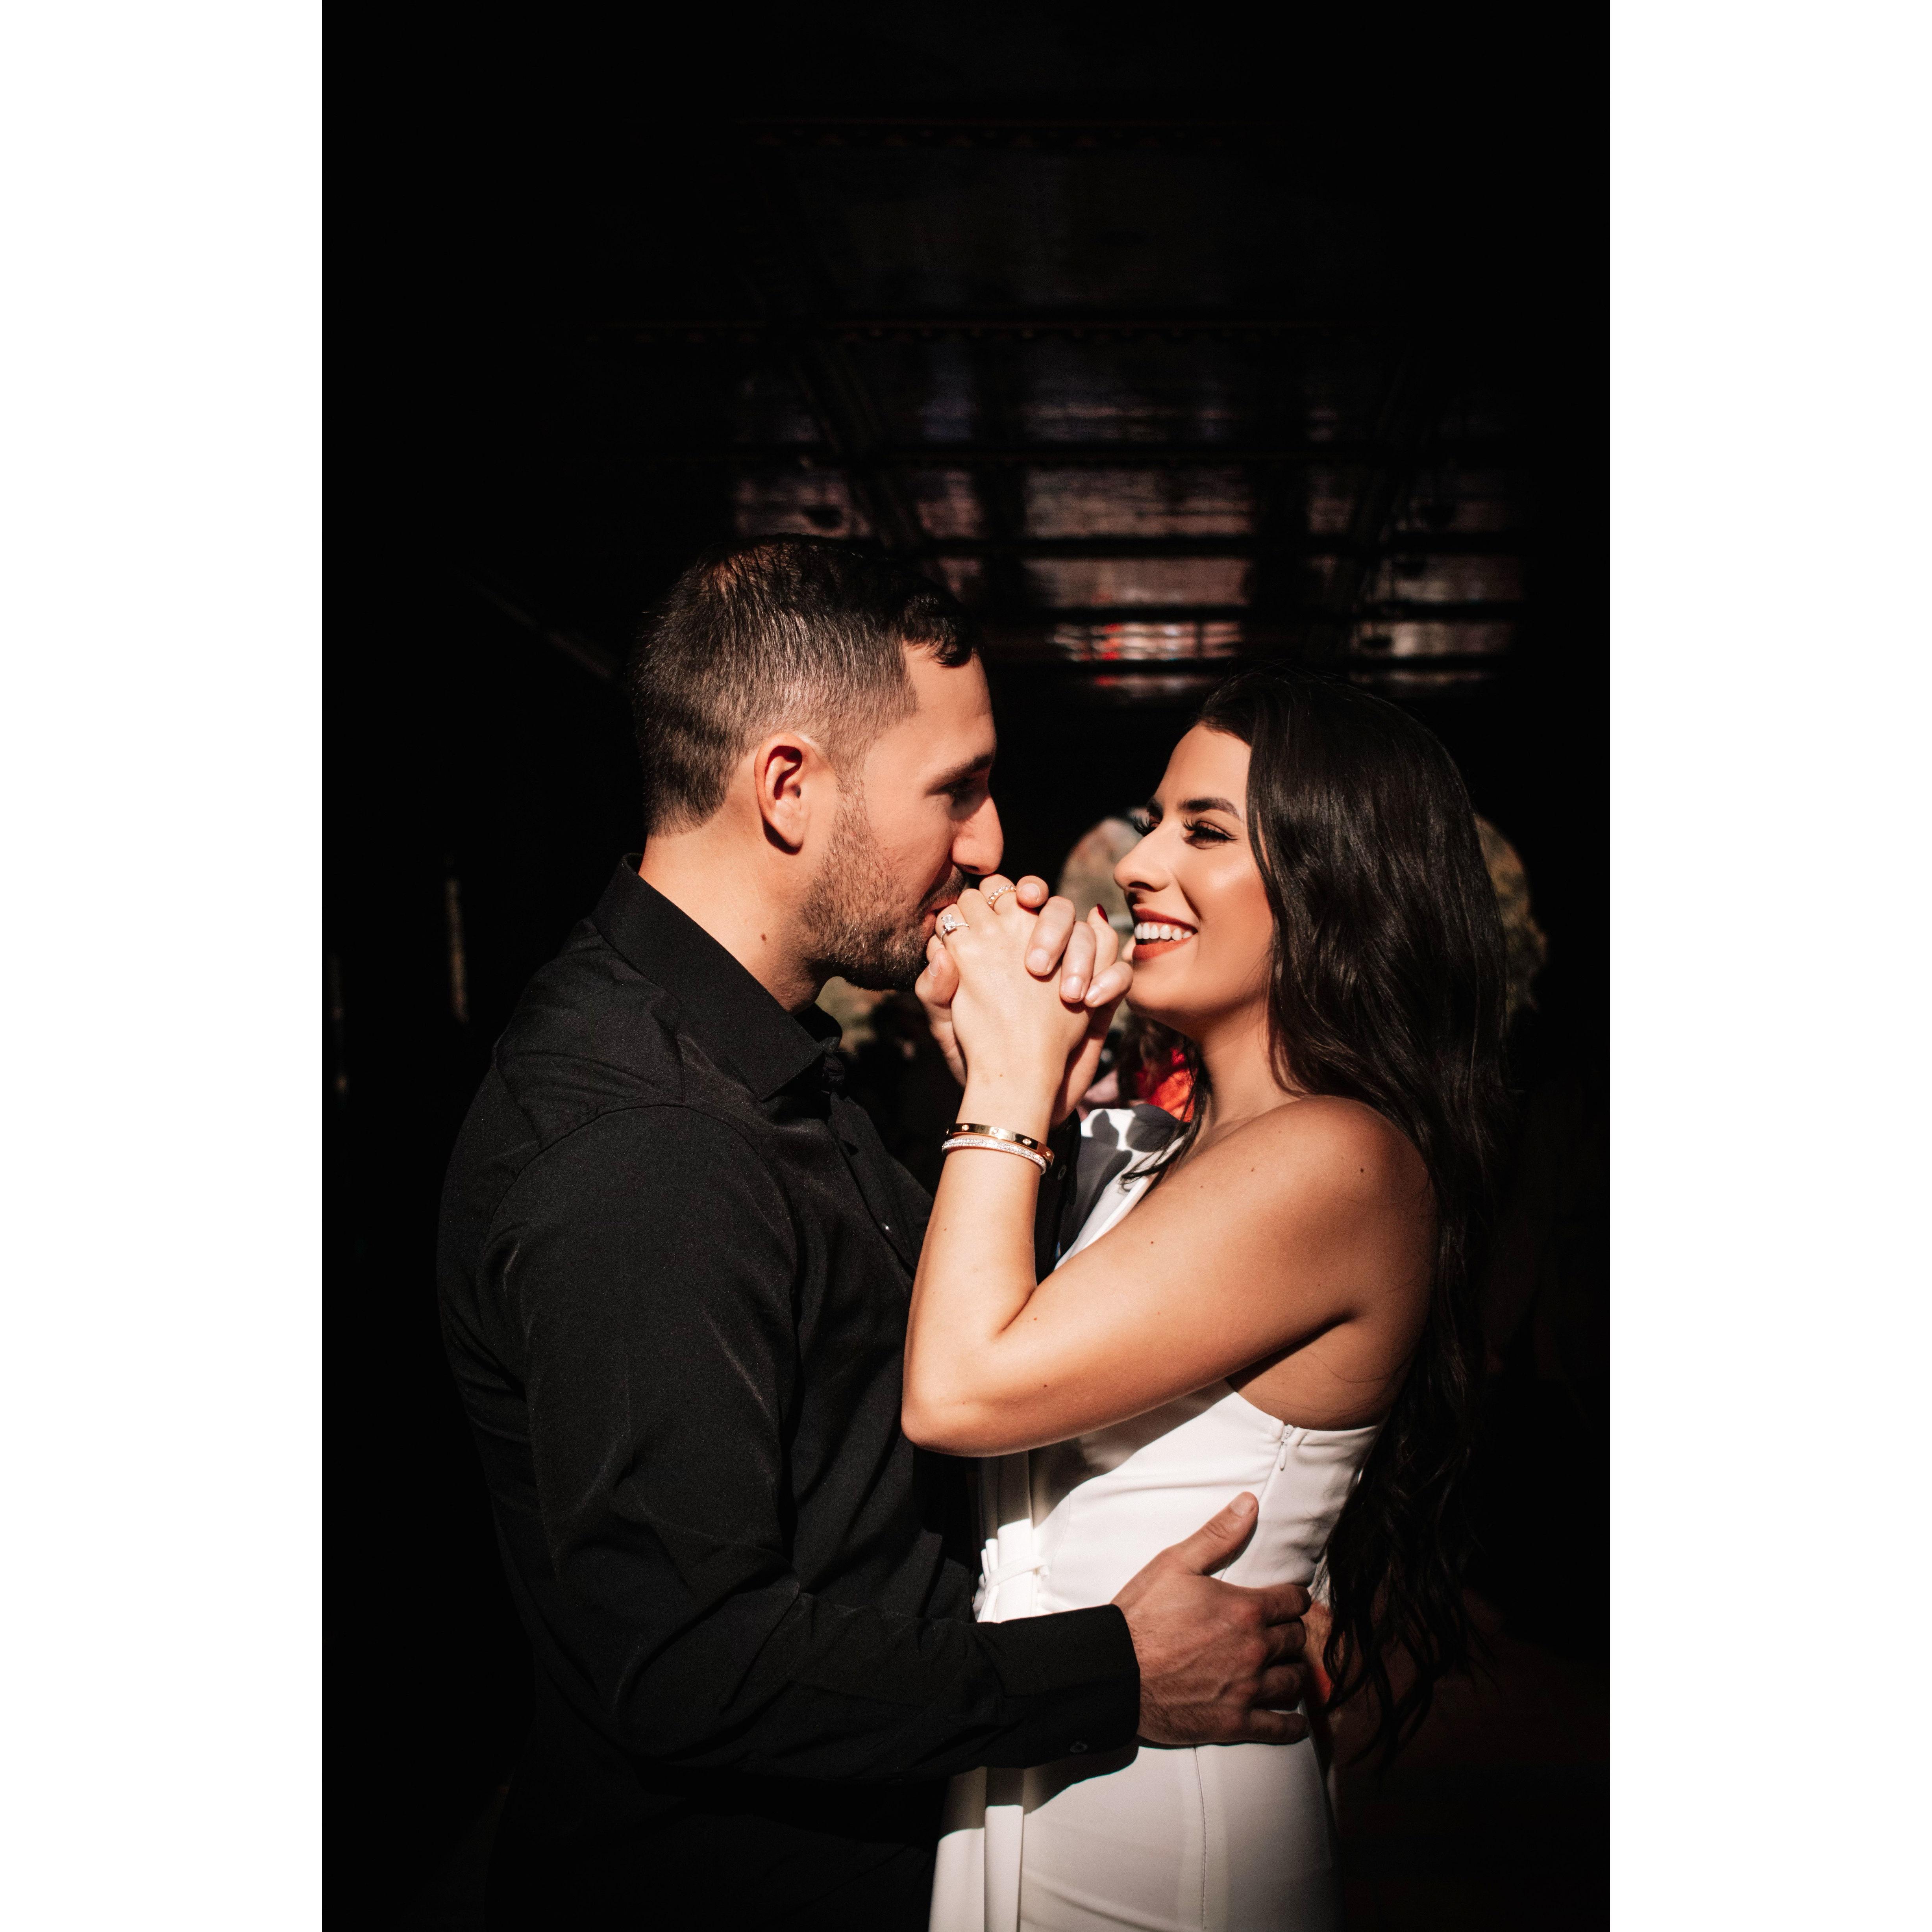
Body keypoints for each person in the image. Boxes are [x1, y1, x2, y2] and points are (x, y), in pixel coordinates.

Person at [436, 541, 1318, 1930]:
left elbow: (872, 1434)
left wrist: (1022, 1102)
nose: (989, 842)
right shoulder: (647, 1141)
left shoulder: (759, 1062)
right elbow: (694, 1661)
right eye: (954, 789)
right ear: (788, 787)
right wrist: (1117, 1670)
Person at [909, 670, 1510, 1931]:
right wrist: (1006, 1073)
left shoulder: (1338, 1158)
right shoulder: (1163, 1154)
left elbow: (959, 1390)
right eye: (1153, 822)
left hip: (1164, 1839)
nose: (1139, 866)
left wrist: (1007, 1088)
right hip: (1062, 1763)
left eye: (1204, 830)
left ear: (1334, 879)